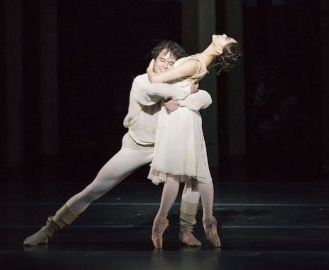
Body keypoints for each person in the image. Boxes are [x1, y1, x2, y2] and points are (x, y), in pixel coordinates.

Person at [23, 40, 213, 246]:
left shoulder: (177, 84)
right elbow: (156, 92)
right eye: (161, 60)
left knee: (191, 179)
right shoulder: (141, 81)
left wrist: (189, 95)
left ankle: (185, 231)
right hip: (137, 147)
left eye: (171, 62)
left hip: (164, 146)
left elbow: (205, 97)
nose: (165, 65)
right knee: (95, 188)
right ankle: (49, 229)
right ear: (153, 61)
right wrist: (185, 93)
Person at [146, 34, 241, 249]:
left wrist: (151, 66)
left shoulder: (193, 63)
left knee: (182, 174)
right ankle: (204, 221)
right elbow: (174, 86)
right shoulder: (200, 60)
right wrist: (179, 98)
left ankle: (165, 222)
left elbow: (155, 81)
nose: (224, 35)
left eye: (226, 40)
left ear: (219, 49)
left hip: (181, 120)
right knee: (192, 174)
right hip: (184, 118)